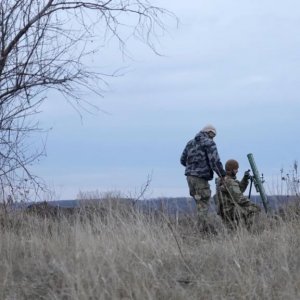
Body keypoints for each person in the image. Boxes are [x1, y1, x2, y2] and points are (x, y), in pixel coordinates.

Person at [180, 124, 226, 231]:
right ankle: (202, 231)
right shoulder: (209, 143)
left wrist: (192, 168)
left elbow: (182, 160)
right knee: (204, 204)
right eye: (213, 135)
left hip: (189, 178)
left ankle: (202, 229)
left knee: (199, 204)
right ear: (210, 133)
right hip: (200, 178)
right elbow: (214, 161)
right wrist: (222, 175)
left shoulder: (190, 143)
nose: (213, 137)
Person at [216, 159, 261, 230]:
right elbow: (239, 198)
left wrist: (245, 179)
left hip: (224, 210)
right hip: (230, 211)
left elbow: (238, 189)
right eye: (236, 169)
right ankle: (252, 231)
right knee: (255, 209)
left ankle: (241, 231)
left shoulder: (221, 179)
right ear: (232, 170)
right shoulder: (230, 182)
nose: (237, 171)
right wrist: (251, 204)